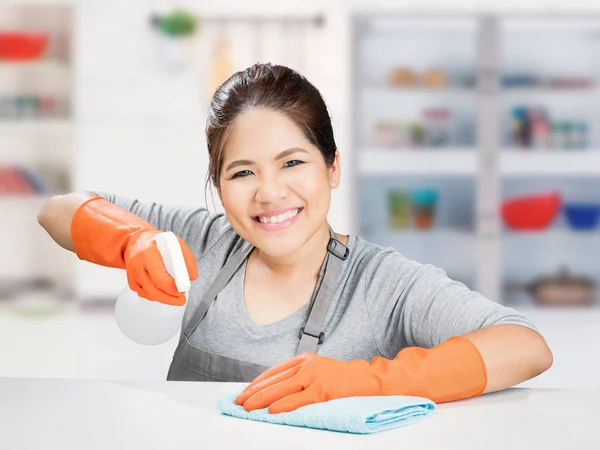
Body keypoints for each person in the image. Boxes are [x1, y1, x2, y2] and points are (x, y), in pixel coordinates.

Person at [38, 63, 552, 415]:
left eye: (292, 162)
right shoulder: (204, 242)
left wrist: (371, 381)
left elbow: (525, 346)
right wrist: (131, 241)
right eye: (241, 173)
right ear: (218, 186)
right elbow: (56, 210)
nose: (269, 192)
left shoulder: (381, 284)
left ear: (332, 167)